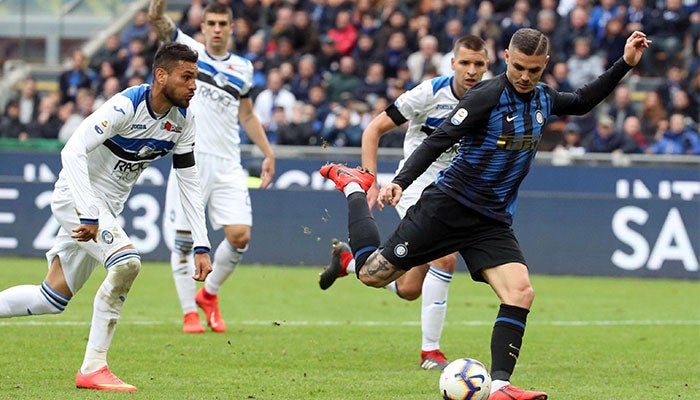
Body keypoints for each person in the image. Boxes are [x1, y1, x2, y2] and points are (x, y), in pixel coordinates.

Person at [320, 28, 650, 400]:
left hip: (491, 220)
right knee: (373, 275)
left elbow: (583, 100)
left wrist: (626, 63)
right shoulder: (486, 96)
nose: (526, 77)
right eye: (520, 67)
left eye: (535, 70)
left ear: (545, 65)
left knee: (521, 292)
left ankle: (501, 387)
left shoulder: (543, 97)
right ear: (507, 59)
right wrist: (399, 180)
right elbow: (438, 140)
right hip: (446, 208)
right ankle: (350, 186)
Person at [0, 42, 213, 392]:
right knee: (127, 262)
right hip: (77, 199)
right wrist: (88, 211)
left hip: (105, 211)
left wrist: (201, 244)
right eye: (187, 77)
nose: (194, 85)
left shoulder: (183, 122)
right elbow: (72, 149)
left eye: (196, 78)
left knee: (50, 298)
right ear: (161, 76)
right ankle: (94, 367)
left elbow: (190, 183)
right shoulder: (127, 104)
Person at [319, 35, 489, 371]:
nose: (471, 70)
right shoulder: (428, 93)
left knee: (410, 288)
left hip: (455, 191)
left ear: (487, 66)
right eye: (465, 63)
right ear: (452, 63)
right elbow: (374, 129)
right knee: (446, 256)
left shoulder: (492, 98)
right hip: (415, 185)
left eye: (479, 64)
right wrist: (370, 179)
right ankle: (431, 353)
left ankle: (349, 263)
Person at [149, 0, 275, 334]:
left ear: (232, 28)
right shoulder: (188, 51)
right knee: (183, 242)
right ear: (202, 27)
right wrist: (156, 11)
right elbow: (160, 23)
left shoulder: (243, 68)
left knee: (240, 236)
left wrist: (267, 152)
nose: (217, 29)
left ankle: (209, 294)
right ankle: (189, 311)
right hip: (190, 157)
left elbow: (246, 114)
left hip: (228, 161)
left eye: (223, 23)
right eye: (211, 23)